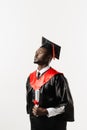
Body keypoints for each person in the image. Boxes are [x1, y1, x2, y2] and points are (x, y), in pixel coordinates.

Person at [26, 37, 74, 130]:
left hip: (53, 124)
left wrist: (46, 111)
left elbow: (65, 105)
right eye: (36, 52)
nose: (36, 54)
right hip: (35, 124)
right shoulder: (30, 78)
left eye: (40, 52)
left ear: (49, 57)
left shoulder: (57, 78)